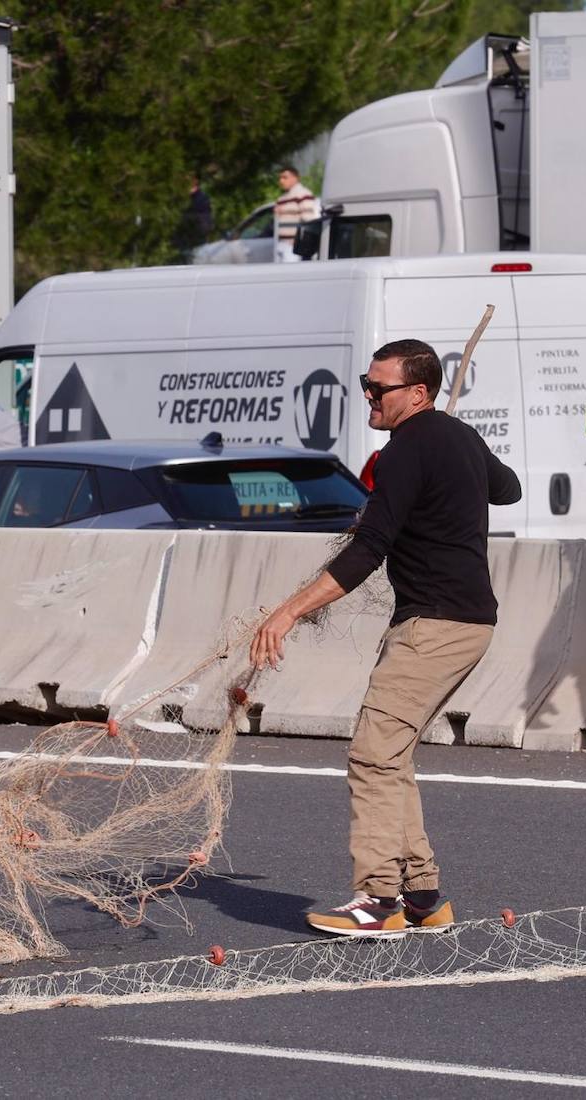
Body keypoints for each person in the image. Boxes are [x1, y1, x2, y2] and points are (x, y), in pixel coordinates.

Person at [249, 339, 521, 938]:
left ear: (418, 392)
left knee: (373, 757)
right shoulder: (454, 437)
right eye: (365, 385)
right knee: (391, 755)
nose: (368, 396)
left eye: (379, 388)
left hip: (434, 626)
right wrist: (458, 447)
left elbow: (367, 550)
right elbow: (508, 489)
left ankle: (378, 901)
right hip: (468, 622)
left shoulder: (407, 451)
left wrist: (287, 613)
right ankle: (423, 897)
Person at [274, 166, 318, 263]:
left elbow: (309, 220)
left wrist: (301, 242)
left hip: (293, 245)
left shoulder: (304, 194)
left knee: (290, 271)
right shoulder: (282, 198)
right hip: (281, 243)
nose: (281, 181)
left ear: (295, 178)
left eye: (285, 177)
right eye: (280, 178)